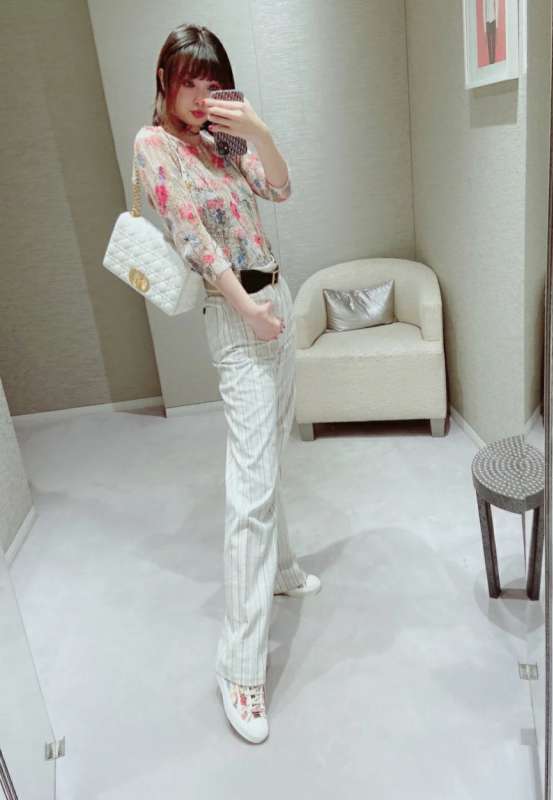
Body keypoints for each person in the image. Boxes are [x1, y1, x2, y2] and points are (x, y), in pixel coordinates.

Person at [133, 24, 321, 744]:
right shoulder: (154, 146)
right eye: (189, 81)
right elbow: (192, 237)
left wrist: (258, 128)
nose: (200, 96)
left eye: (211, 84)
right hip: (240, 317)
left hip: (277, 298)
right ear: (164, 79)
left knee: (271, 451)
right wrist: (248, 310)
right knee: (250, 489)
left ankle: (283, 566)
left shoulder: (222, 139)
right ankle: (239, 669)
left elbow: (281, 188)